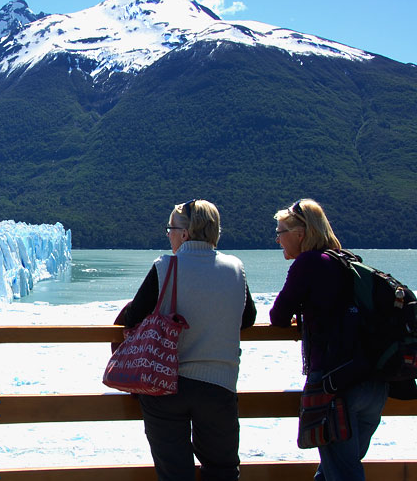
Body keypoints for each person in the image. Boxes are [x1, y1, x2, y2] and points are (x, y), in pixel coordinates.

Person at [121, 199, 256, 481]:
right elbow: (247, 318)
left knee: (175, 473)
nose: (168, 234)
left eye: (171, 227)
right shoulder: (235, 268)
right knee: (222, 470)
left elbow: (133, 315)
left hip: (166, 383)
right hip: (219, 386)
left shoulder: (166, 267)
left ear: (185, 233)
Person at [269, 198, 388, 480]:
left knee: (343, 474)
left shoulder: (309, 263)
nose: (277, 240)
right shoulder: (347, 261)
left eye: (281, 232)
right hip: (373, 385)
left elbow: (278, 316)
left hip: (336, 386)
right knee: (333, 470)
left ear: (301, 233)